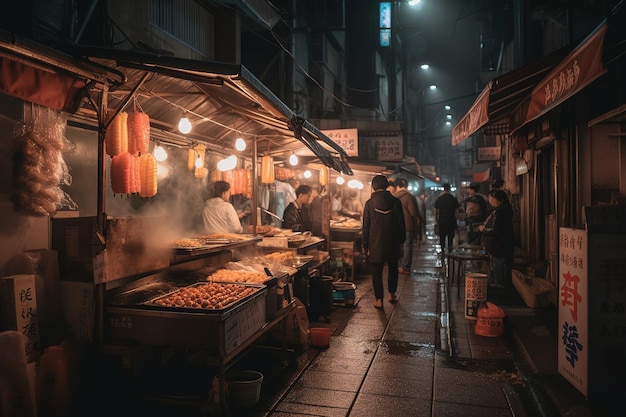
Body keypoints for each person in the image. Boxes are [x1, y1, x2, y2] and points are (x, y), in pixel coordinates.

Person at [362, 175, 405, 308]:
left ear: (373, 186)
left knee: (376, 270)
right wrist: (402, 240)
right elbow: (401, 223)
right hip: (393, 241)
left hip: (375, 242)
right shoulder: (396, 202)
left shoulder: (369, 203)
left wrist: (365, 244)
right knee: (393, 268)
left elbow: (366, 226)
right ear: (386, 185)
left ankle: (379, 300)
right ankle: (391, 294)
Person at [479, 189, 515, 289]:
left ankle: (500, 290)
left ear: (498, 199)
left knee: (499, 268)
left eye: (491, 199)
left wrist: (484, 230)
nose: (490, 201)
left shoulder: (501, 212)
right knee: (498, 267)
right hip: (499, 246)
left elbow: (497, 230)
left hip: (500, 246)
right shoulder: (501, 210)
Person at [393, 178, 422, 275]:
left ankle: (397, 266)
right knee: (407, 246)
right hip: (408, 225)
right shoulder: (409, 197)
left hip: (396, 225)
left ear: (397, 186)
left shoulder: (394, 197)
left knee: (397, 246)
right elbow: (413, 212)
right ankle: (406, 267)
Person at [434, 183, 459, 253]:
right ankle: (450, 250)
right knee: (450, 236)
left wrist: (436, 220)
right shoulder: (453, 198)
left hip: (442, 220)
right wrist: (456, 220)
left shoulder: (439, 199)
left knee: (442, 236)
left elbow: (435, 211)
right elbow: (457, 211)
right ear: (449, 189)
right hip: (451, 220)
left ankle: (442, 250)